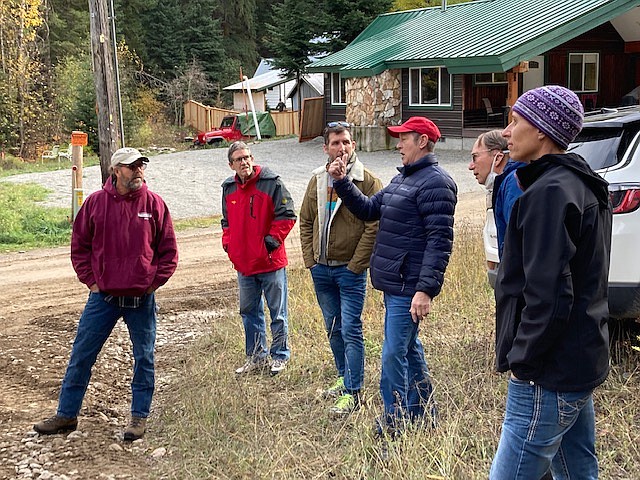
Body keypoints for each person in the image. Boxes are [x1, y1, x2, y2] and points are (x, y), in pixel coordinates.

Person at [490, 85, 612, 479]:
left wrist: (522, 361)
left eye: (515, 121)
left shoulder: (550, 193)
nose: (506, 132)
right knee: (579, 473)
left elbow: (548, 295)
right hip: (577, 360)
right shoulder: (580, 183)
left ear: (542, 130)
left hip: (548, 373)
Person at [34, 147, 179, 441]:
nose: (138, 170)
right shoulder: (95, 204)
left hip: (141, 299)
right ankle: (66, 415)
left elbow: (169, 252)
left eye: (141, 165)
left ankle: (138, 418)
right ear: (115, 171)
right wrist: (92, 283)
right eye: (131, 166)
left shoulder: (154, 204)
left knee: (144, 358)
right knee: (81, 355)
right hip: (104, 299)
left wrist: (153, 283)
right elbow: (80, 247)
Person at [327, 116, 457, 433]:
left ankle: (393, 421)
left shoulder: (436, 183)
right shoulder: (403, 180)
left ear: (422, 141)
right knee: (409, 349)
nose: (398, 144)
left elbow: (440, 243)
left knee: (393, 355)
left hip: (409, 287)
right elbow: (370, 209)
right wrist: (342, 183)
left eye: (404, 138)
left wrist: (425, 290)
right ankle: (424, 412)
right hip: (395, 285)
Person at [299, 121, 382, 415]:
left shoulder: (368, 181)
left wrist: (356, 266)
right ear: (325, 148)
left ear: (353, 145)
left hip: (350, 271)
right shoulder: (318, 179)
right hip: (322, 270)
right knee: (333, 328)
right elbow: (306, 220)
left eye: (346, 142)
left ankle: (354, 391)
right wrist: (310, 261)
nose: (341, 148)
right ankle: (342, 376)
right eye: (335, 143)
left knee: (351, 329)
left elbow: (374, 225)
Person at [222, 141, 297, 376]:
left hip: (270, 262)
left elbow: (287, 214)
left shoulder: (271, 182)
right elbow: (226, 222)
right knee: (249, 311)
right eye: (239, 159)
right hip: (244, 264)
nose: (244, 162)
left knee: (278, 312)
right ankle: (256, 357)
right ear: (231, 164)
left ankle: (280, 355)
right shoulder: (228, 188)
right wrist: (229, 244)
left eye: (247, 157)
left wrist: (270, 243)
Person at [469, 130, 527, 258]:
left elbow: (519, 243)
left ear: (498, 157)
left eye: (475, 157)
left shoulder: (514, 183)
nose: (470, 166)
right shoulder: (510, 181)